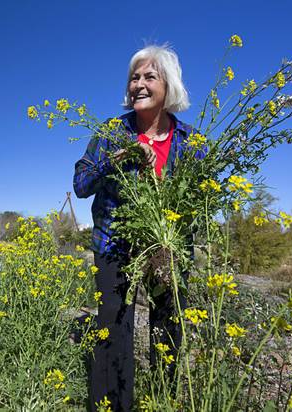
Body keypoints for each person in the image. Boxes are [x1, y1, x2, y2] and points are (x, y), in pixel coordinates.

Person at [73, 44, 198, 411]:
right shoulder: (113, 133)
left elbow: (198, 201)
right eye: (134, 77)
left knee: (168, 329)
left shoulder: (190, 143)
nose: (138, 84)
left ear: (168, 86)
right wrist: (116, 160)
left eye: (149, 76)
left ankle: (162, 400)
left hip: (168, 250)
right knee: (114, 331)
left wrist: (178, 240)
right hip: (114, 246)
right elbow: (81, 185)